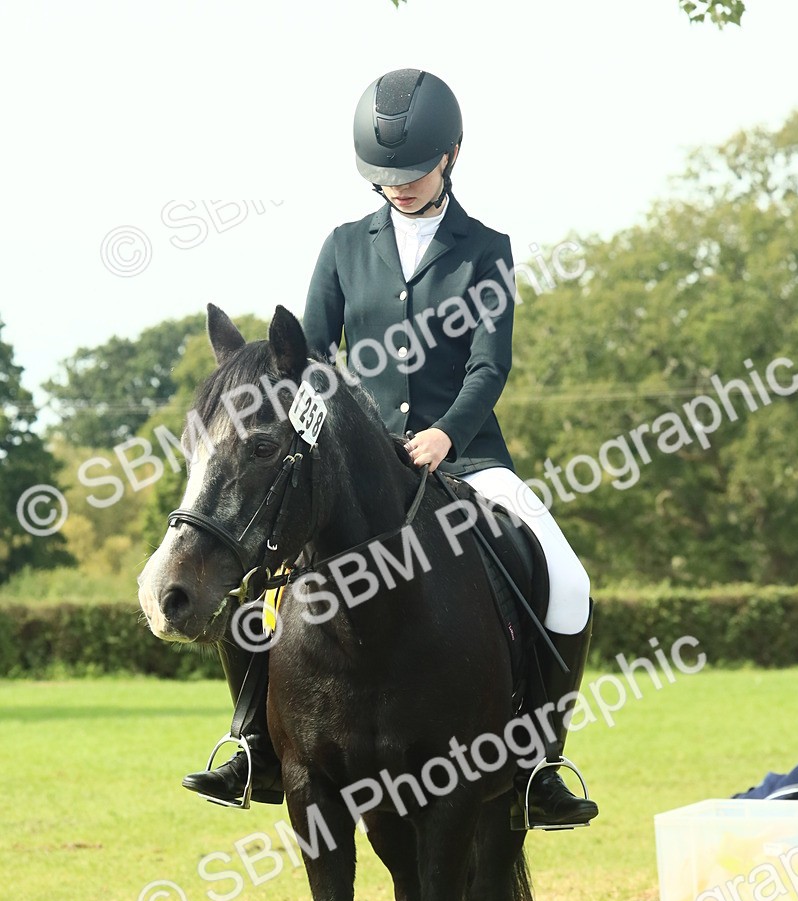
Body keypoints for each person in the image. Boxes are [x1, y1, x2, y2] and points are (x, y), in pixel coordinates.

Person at [183, 68, 597, 830]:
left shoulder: (487, 251)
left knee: (568, 583)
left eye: (411, 173)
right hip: (356, 463)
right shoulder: (343, 247)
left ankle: (539, 762)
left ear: (452, 157)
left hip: (467, 457)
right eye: (384, 176)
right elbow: (301, 357)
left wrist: (449, 433)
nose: (398, 187)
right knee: (255, 579)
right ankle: (250, 743)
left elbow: (489, 364)